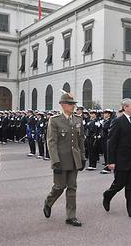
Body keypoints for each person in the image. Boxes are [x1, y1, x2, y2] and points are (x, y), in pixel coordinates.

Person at [43, 92, 86, 227]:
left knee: (72, 187)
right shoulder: (55, 120)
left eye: (73, 104)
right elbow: (51, 142)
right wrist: (55, 161)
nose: (73, 106)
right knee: (59, 187)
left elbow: (81, 141)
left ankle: (71, 216)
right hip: (61, 160)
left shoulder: (78, 119)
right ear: (62, 105)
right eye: (70, 104)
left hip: (75, 159)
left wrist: (83, 157)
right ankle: (48, 202)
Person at [102, 98, 131, 221]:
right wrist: (111, 161)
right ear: (125, 107)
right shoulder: (117, 121)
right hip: (121, 160)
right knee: (119, 184)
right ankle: (108, 195)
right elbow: (111, 142)